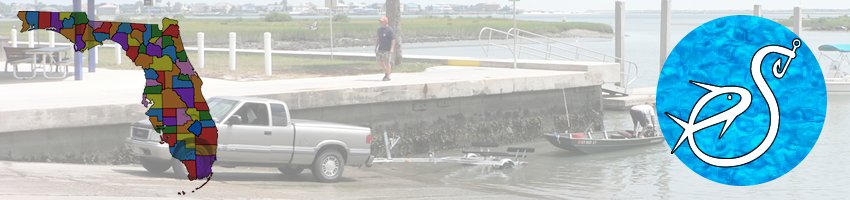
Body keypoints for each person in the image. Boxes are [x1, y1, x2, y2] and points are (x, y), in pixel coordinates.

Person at [375, 16, 396, 81]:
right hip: (381, 48)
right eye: (380, 21)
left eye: (382, 21)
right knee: (379, 60)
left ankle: (388, 76)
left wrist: (392, 48)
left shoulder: (389, 29)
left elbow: (393, 39)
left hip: (388, 48)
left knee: (387, 61)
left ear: (386, 22)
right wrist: (376, 47)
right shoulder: (379, 29)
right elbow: (378, 38)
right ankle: (387, 70)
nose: (381, 22)